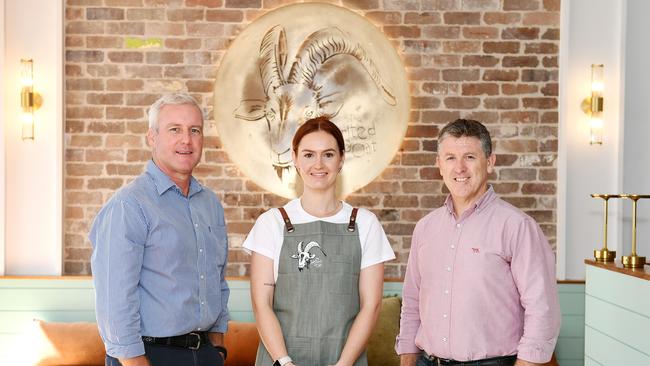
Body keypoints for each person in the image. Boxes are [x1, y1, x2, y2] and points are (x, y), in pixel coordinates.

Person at [396, 119, 560, 366]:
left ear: (490, 162)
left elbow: (542, 310)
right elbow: (411, 304)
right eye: (450, 158)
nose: (459, 168)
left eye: (470, 157)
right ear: (439, 165)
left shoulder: (517, 226)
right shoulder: (425, 228)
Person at [90, 93, 230, 366]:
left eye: (195, 130)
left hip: (205, 355)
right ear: (152, 138)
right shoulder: (129, 205)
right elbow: (115, 299)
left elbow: (217, 281)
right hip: (148, 356)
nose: (186, 140)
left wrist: (217, 350)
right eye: (174, 129)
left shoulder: (210, 204)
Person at [243, 116, 395, 366]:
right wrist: (284, 361)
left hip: (345, 359)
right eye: (309, 154)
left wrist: (344, 364)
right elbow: (262, 305)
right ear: (295, 158)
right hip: (281, 360)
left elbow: (372, 306)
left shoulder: (365, 224)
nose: (318, 164)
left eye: (328, 154)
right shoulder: (272, 223)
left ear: (341, 159)